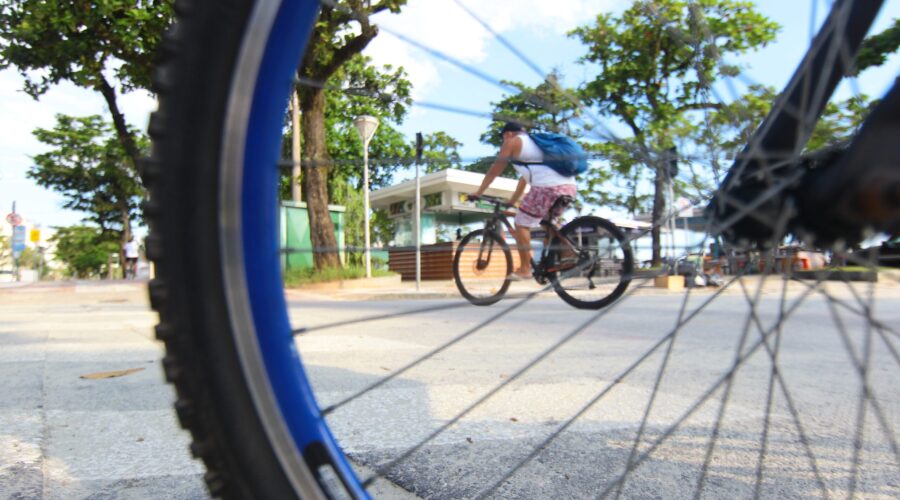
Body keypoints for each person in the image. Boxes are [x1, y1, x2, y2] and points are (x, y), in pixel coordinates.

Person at [470, 122, 578, 280]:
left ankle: (525, 268)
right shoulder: (535, 145)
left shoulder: (512, 141)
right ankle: (563, 256)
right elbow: (524, 179)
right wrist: (512, 201)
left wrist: (479, 192)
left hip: (547, 188)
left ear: (507, 134)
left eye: (503, 138)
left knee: (521, 223)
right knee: (547, 224)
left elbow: (495, 169)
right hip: (569, 187)